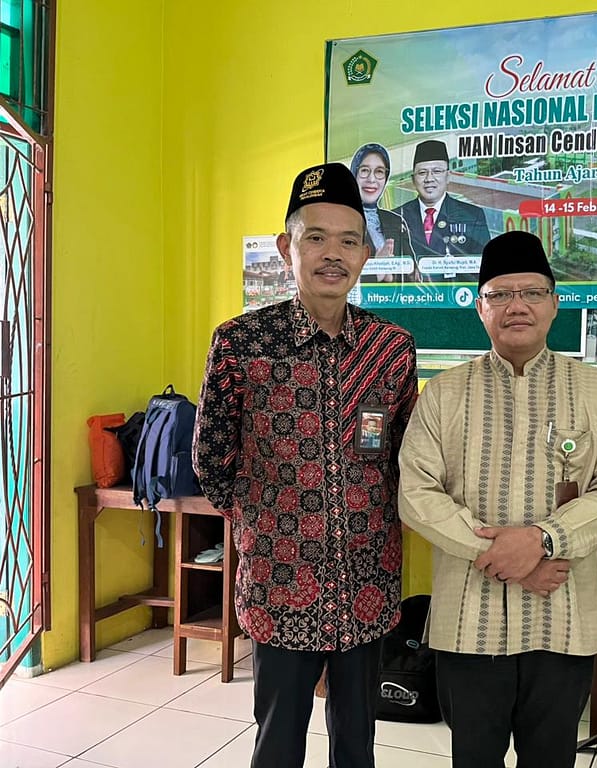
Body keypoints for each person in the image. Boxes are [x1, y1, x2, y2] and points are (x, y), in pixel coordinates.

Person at [193, 162, 418, 768]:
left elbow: (403, 455)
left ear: (367, 253)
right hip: (281, 583)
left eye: (348, 240)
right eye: (315, 237)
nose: (332, 254)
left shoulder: (391, 348)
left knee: (357, 743)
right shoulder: (241, 343)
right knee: (277, 740)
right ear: (285, 247)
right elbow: (211, 458)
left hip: (367, 580)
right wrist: (268, 527)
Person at [397, 230, 597, 768]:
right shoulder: (443, 393)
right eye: (500, 294)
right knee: (473, 758)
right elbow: (416, 493)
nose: (517, 306)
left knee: (550, 757)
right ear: (480, 307)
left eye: (531, 292)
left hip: (564, 619)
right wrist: (503, 556)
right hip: (469, 622)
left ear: (554, 303)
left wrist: (542, 541)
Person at [395, 139, 490, 281]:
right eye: (422, 173)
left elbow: (484, 270)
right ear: (413, 179)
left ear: (448, 176)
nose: (429, 179)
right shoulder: (396, 217)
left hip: (458, 294)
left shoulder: (472, 215)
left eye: (437, 171)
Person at [351, 142, 416, 283]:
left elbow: (413, 276)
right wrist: (376, 272)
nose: (371, 179)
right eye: (364, 170)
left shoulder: (396, 221)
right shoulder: (340, 222)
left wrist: (391, 277)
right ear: (354, 175)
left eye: (379, 172)